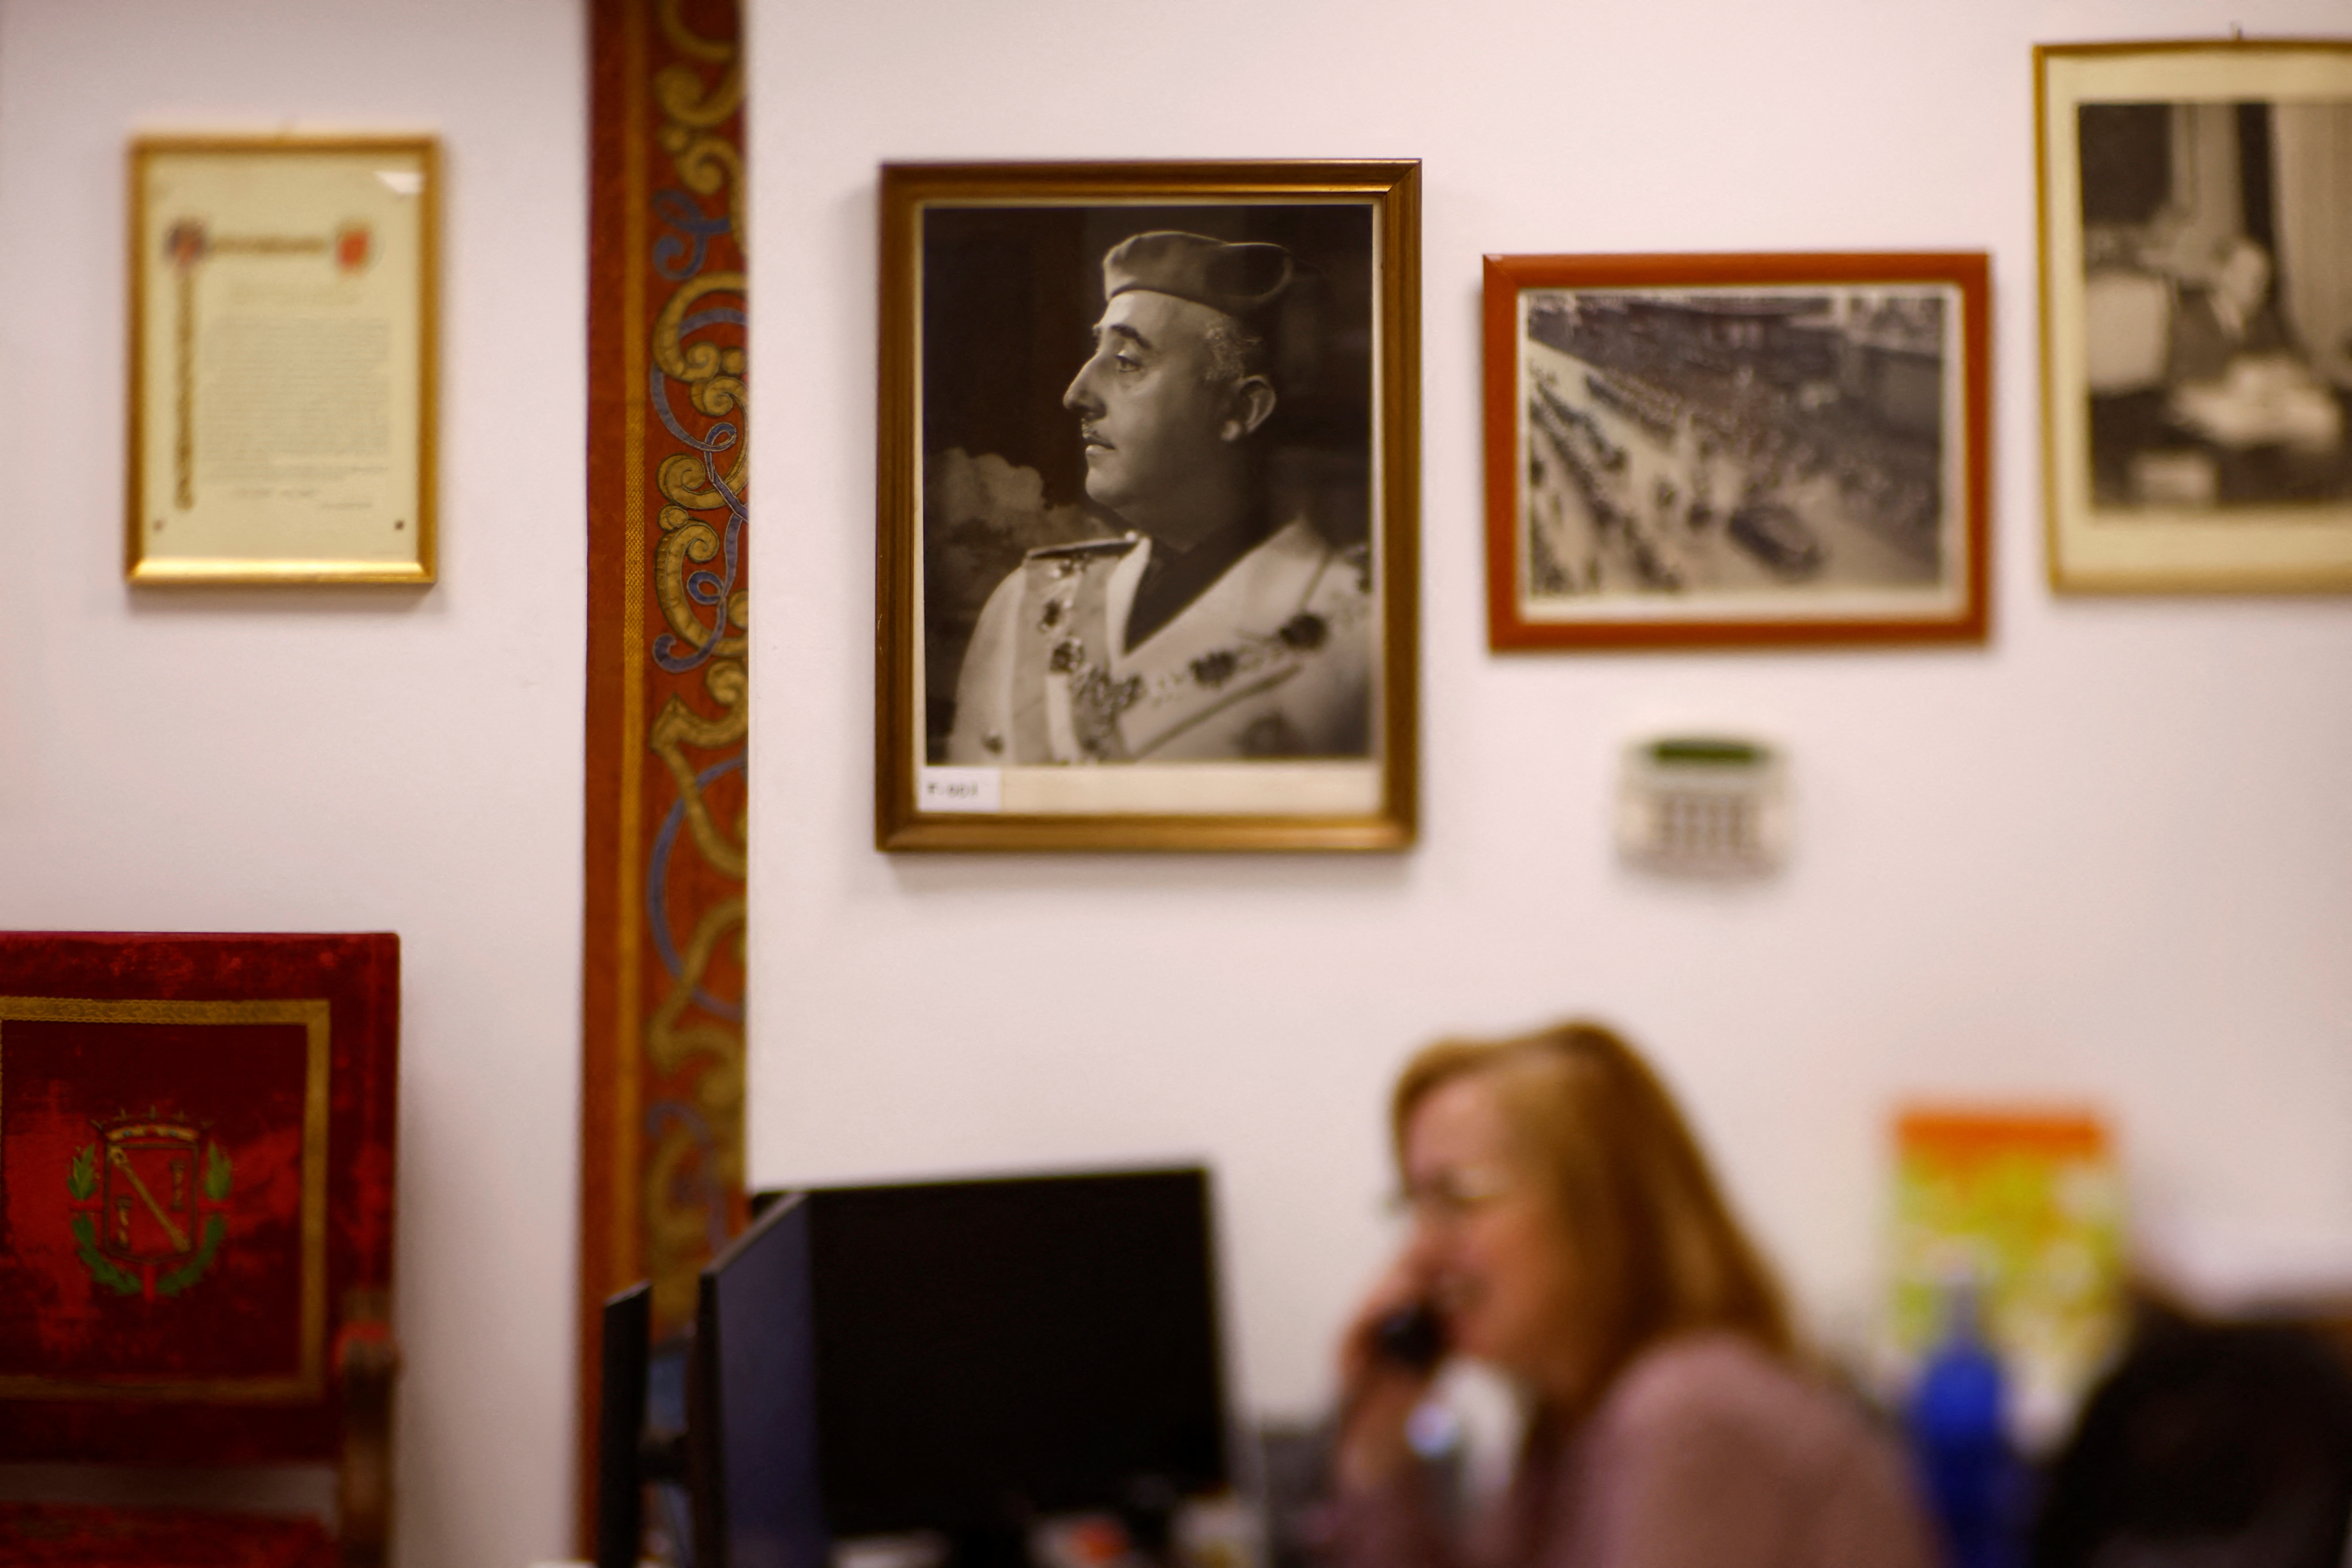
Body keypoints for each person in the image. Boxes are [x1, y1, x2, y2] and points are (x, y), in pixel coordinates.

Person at [1326, 1021, 1935, 1568]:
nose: (1419, 1253)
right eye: (1414, 1206)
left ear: (1599, 1213)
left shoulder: (1690, 1413)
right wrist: (1379, 1447)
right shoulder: (1570, 1426)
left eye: (1456, 1201)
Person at [945, 230, 1372, 766]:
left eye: (1126, 361)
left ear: (1239, 410)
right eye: (1094, 352)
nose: (1076, 393)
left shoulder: (1357, 629)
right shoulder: (1025, 604)